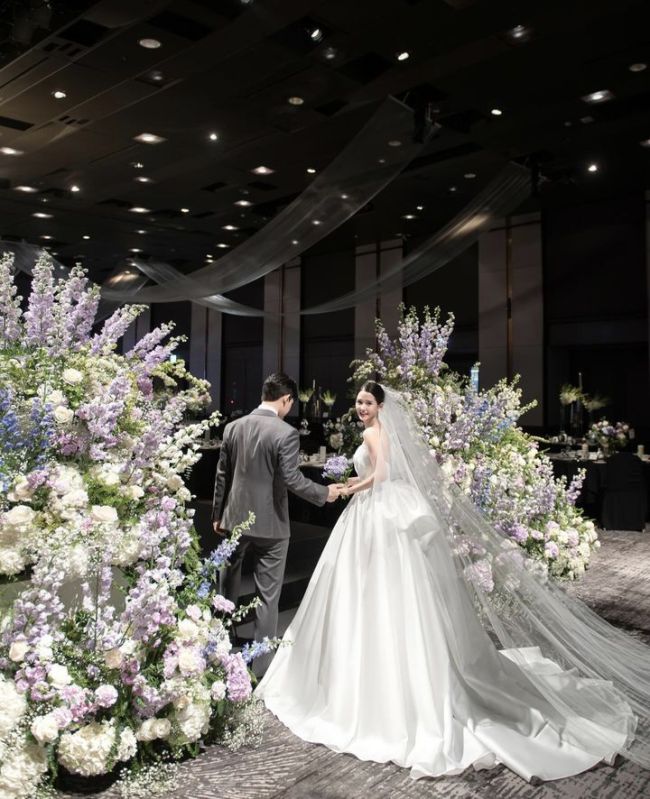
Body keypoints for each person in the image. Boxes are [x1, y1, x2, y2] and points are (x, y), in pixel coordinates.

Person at [257, 381, 650, 782]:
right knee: (383, 590)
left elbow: (382, 474)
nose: (361, 407)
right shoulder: (378, 431)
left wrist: (346, 488)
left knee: (371, 590)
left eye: (368, 402)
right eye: (358, 401)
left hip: (375, 511)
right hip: (379, 512)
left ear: (381, 406)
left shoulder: (375, 434)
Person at [212, 372, 340, 676]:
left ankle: (218, 646)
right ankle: (261, 668)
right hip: (271, 524)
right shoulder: (286, 433)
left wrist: (217, 513)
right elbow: (292, 479)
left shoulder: (233, 427)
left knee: (226, 583)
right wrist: (324, 493)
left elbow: (222, 474)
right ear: (286, 399)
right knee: (267, 596)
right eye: (290, 404)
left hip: (235, 519)